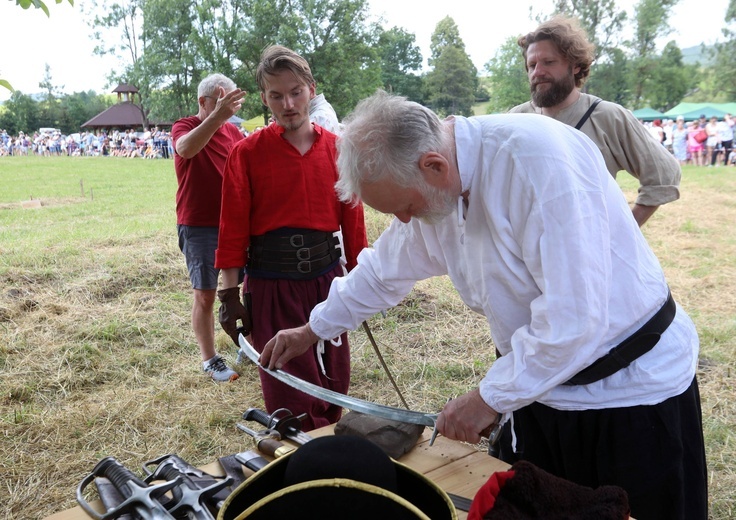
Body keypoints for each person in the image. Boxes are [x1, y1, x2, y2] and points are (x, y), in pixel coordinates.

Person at [260, 91, 708, 520]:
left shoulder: (538, 162)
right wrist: (312, 329)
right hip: (539, 393)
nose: (403, 220)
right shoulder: (434, 185)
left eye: (406, 207)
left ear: (433, 166)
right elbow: (382, 271)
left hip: (629, 400)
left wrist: (487, 399)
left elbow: (574, 319)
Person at [215, 45, 367, 430]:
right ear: (264, 98)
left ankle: (328, 462)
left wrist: (361, 283)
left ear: (311, 89)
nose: (288, 103)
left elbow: (353, 225)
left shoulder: (337, 150)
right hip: (271, 287)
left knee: (334, 383)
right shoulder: (247, 153)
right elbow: (232, 230)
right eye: (276, 95)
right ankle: (300, 462)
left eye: (296, 91)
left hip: (327, 281)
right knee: (290, 393)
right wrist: (230, 295)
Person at [509, 15, 681, 227]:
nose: (538, 72)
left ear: (575, 66)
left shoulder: (608, 116)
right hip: (528, 253)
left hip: (588, 250)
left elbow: (664, 174)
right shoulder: (515, 119)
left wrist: (623, 232)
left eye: (549, 62)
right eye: (532, 65)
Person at [172, 73, 246, 382]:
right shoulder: (186, 126)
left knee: (238, 290)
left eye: (234, 102)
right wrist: (216, 118)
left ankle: (248, 345)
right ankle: (210, 359)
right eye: (225, 102)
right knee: (205, 294)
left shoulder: (234, 133)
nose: (232, 109)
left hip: (234, 224)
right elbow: (185, 149)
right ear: (204, 102)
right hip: (199, 225)